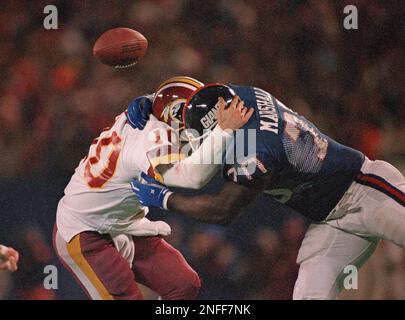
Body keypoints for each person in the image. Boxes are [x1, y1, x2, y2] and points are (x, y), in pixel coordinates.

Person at [131, 83, 405, 300]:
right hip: (329, 220)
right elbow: (200, 97)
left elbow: (222, 211)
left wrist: (164, 198)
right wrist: (154, 102)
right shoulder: (238, 97)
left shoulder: (254, 149)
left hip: (365, 190)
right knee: (310, 295)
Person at [54, 77, 251, 300]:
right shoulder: (152, 138)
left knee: (184, 284)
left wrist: (150, 98)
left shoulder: (151, 117)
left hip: (123, 223)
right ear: (176, 116)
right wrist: (223, 132)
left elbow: (167, 101)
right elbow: (193, 177)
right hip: (85, 231)